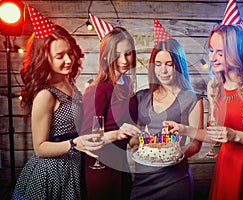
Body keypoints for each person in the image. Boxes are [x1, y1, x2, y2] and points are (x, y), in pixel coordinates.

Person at [164, 24, 243, 200]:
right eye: (211, 50)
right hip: (227, 166)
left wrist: (235, 135)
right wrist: (183, 129)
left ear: (237, 52)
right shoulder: (214, 87)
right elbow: (215, 135)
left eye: (220, 53)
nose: (212, 57)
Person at [11, 17, 104, 200]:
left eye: (70, 53)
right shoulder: (45, 95)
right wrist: (74, 144)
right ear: (44, 58)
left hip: (73, 167)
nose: (68, 60)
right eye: (60, 56)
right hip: (51, 173)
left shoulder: (68, 81)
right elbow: (40, 148)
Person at [130, 38, 204, 200]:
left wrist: (170, 154)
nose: (163, 70)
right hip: (143, 180)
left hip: (174, 181)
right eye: (158, 64)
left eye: (169, 64)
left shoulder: (192, 99)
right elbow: (134, 138)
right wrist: (136, 141)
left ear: (178, 65)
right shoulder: (141, 97)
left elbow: (196, 144)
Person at [80, 27, 140, 200]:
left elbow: (128, 129)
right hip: (100, 167)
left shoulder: (126, 83)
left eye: (128, 53)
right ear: (106, 56)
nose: (124, 60)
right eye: (117, 54)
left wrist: (139, 140)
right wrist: (118, 134)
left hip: (120, 164)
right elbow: (88, 139)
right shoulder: (98, 90)